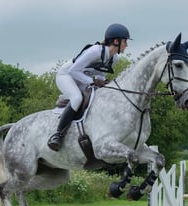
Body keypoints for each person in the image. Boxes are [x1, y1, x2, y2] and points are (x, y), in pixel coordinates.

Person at [47, 23, 131, 151]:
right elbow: (74, 70)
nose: (127, 45)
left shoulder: (114, 59)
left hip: (81, 77)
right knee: (77, 98)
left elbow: (100, 74)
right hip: (66, 76)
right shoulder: (95, 51)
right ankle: (58, 135)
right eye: (125, 41)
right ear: (116, 41)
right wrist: (92, 81)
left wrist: (105, 84)